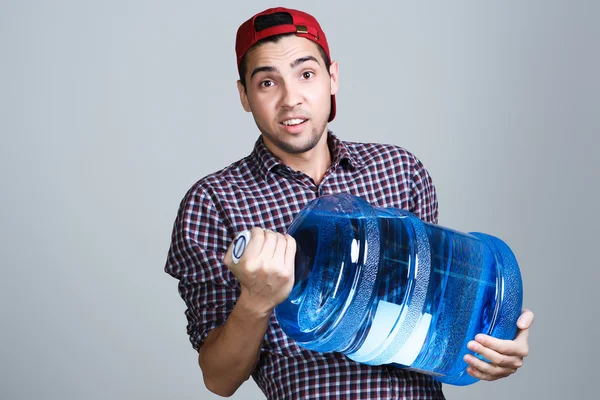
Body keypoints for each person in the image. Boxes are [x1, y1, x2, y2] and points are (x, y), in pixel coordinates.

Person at [164, 7, 534, 399]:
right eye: (268, 83)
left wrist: (494, 346)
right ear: (244, 95)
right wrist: (255, 301)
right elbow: (219, 378)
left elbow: (432, 316)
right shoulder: (214, 201)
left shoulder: (399, 170)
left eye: (306, 74)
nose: (291, 99)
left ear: (332, 77)